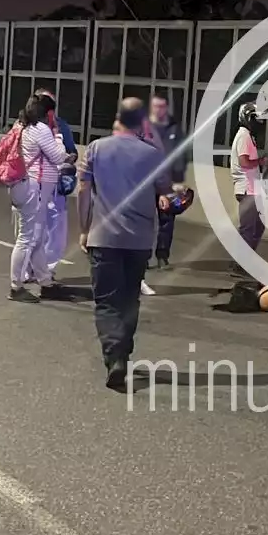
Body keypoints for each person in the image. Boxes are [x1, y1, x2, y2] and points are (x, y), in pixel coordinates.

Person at [77, 97, 171, 389]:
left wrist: (84, 228)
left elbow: (83, 190)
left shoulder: (95, 148)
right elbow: (167, 192)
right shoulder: (154, 154)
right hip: (140, 241)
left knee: (107, 302)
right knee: (130, 299)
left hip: (103, 237)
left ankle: (115, 355)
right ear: (142, 122)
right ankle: (123, 354)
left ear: (118, 117)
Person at [9, 93, 73, 303]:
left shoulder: (23, 126)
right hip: (35, 189)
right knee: (28, 238)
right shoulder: (41, 129)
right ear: (48, 112)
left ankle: (45, 281)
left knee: (35, 238)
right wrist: (60, 139)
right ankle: (15, 286)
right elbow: (57, 156)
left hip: (27, 187)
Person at [142, 93, 186, 269]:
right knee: (144, 221)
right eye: (156, 106)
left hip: (167, 181)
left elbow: (179, 156)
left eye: (162, 106)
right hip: (145, 182)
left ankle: (162, 256)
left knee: (167, 219)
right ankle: (142, 257)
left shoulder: (174, 129)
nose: (159, 110)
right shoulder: (143, 128)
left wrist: (178, 180)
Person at [231, 102, 265, 273]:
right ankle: (242, 264)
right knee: (249, 228)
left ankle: (244, 260)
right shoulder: (244, 136)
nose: (258, 121)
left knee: (257, 226)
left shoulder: (248, 135)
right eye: (254, 117)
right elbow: (244, 162)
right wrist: (261, 161)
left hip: (252, 188)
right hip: (246, 189)